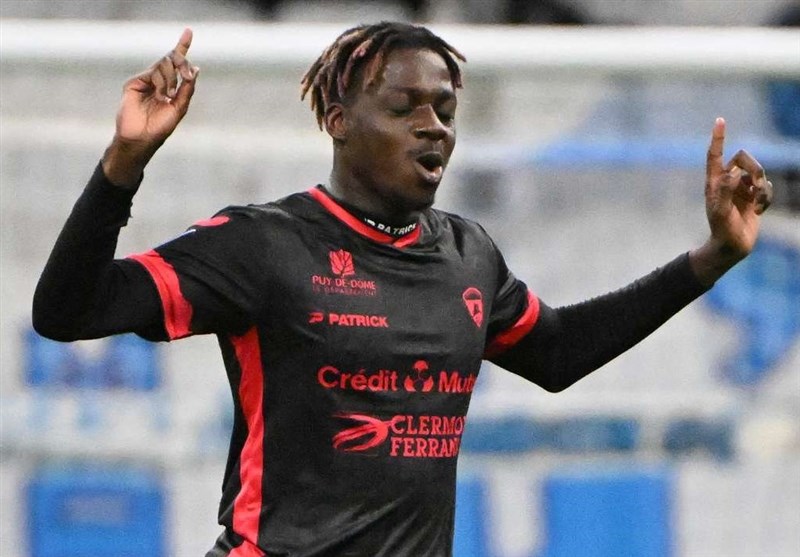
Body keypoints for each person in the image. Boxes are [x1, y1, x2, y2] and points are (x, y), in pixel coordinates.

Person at [32, 22, 772, 557]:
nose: (433, 127)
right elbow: (69, 311)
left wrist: (711, 258)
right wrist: (123, 163)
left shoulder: (467, 255)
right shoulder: (263, 244)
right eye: (405, 107)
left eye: (445, 110)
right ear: (338, 120)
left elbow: (558, 353)